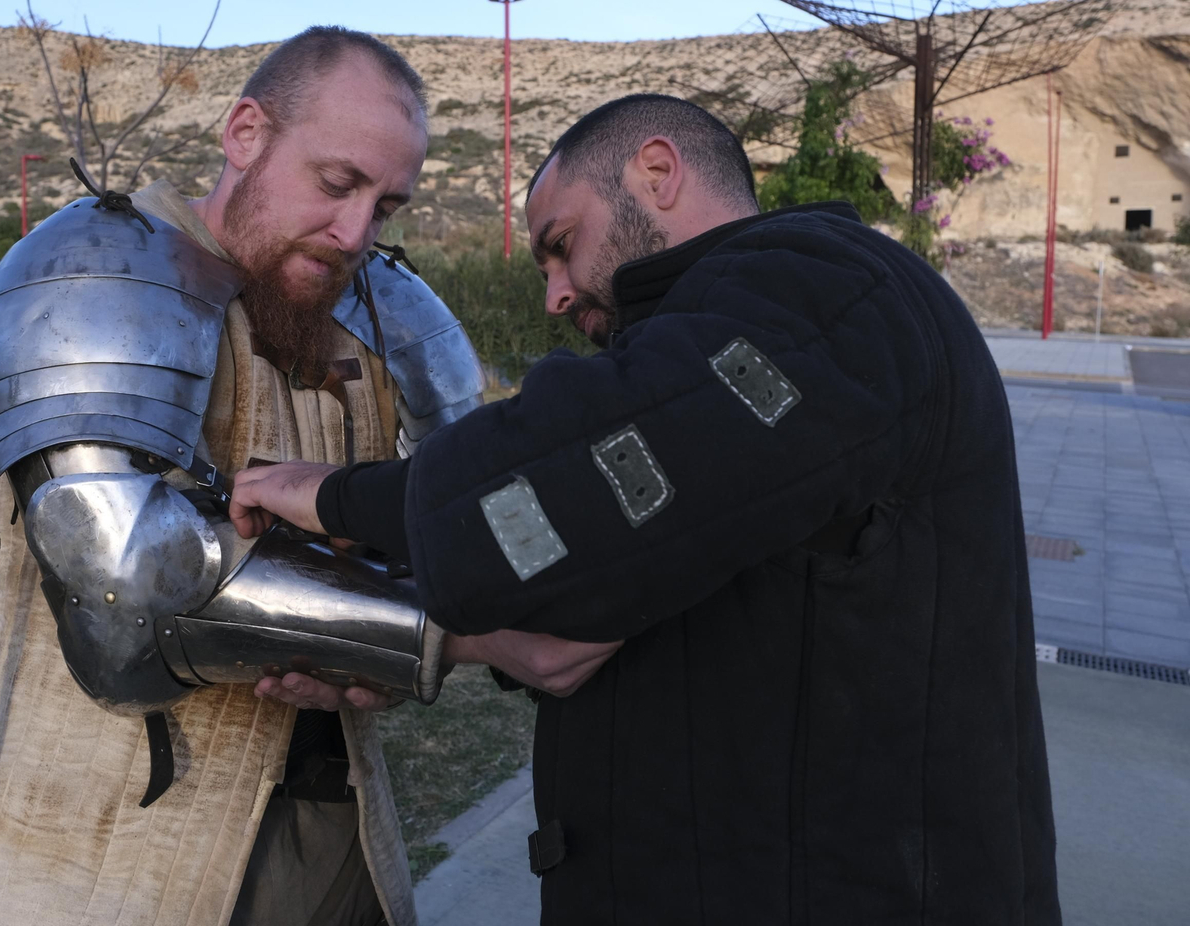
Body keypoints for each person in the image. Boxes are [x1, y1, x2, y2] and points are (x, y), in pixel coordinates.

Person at [229, 93, 1061, 923]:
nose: (556, 295)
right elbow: (599, 573)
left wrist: (336, 493)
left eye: (561, 247)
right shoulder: (742, 350)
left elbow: (581, 460)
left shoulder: (828, 288)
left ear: (656, 172)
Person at [0, 26, 487, 926]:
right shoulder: (95, 275)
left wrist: (381, 640)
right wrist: (440, 629)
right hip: (111, 852)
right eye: (336, 182)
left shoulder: (386, 311)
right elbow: (124, 585)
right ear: (245, 135)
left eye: (387, 206)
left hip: (341, 828)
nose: (357, 232)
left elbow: (450, 508)